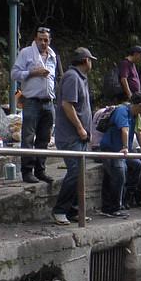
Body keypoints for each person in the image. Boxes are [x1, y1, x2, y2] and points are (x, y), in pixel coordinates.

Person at [51, 47, 96, 225]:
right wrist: (80, 128)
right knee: (75, 171)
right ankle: (60, 210)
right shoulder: (72, 77)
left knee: (80, 173)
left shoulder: (81, 79)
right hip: (70, 136)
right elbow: (67, 105)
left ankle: (74, 210)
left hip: (80, 137)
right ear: (85, 60)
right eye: (91, 60)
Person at [11, 27, 59, 184]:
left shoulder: (52, 55)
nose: (43, 43)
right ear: (36, 39)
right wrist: (32, 72)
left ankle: (40, 170)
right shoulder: (26, 53)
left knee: (44, 138)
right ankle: (27, 171)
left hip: (49, 102)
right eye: (41, 39)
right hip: (32, 102)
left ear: (49, 40)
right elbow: (14, 74)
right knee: (28, 137)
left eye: (46, 40)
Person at [99, 92, 141, 217]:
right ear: (139, 105)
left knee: (137, 165)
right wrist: (124, 147)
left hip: (123, 151)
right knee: (119, 172)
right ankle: (112, 207)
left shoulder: (135, 115)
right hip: (112, 149)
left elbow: (139, 132)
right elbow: (124, 129)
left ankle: (125, 199)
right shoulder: (122, 111)